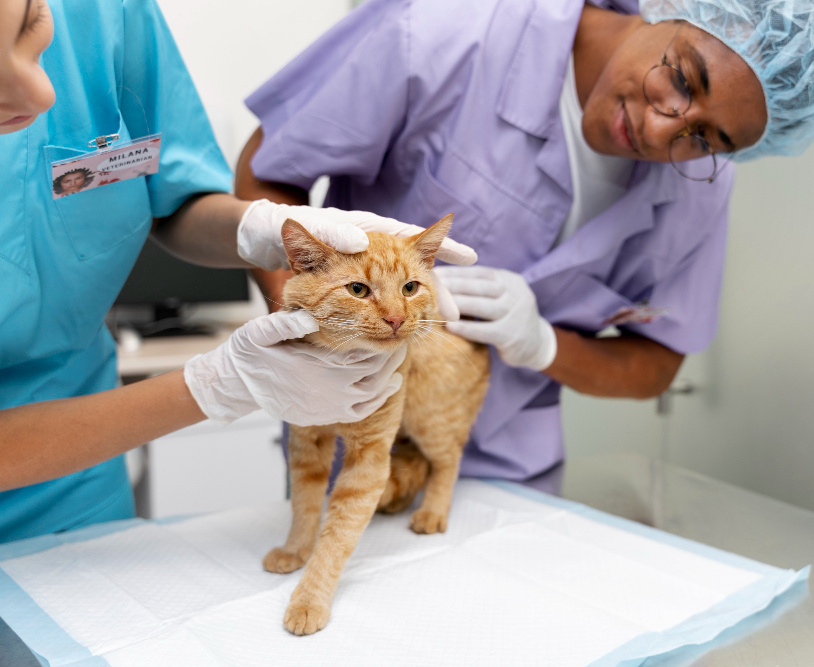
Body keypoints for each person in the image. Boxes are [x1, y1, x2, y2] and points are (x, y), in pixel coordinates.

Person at [237, 0, 814, 482]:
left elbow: (657, 364)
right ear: (672, 6)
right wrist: (315, 343)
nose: (663, 130)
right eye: (683, 79)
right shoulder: (447, 29)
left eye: (708, 138)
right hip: (356, 435)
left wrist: (545, 345)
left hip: (516, 470)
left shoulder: (700, 189)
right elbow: (266, 171)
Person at [0, 0, 476, 543]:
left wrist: (263, 226)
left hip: (81, 474)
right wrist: (211, 386)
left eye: (33, 28)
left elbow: (169, 192)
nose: (42, 95)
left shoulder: (106, 13)